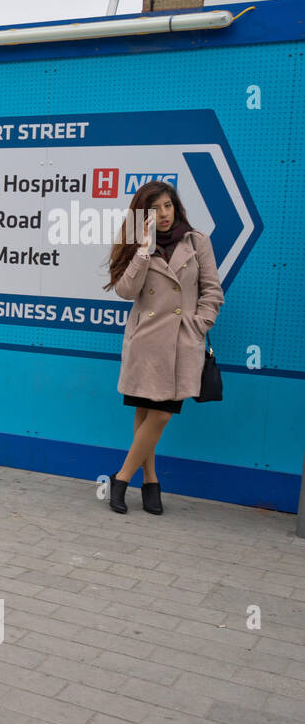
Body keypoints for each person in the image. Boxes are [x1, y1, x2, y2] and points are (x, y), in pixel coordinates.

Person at [104, 180, 223, 515]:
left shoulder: (197, 241)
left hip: (180, 342)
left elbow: (212, 291)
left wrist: (198, 326)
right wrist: (144, 248)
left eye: (168, 205)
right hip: (146, 343)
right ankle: (151, 481)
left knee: (160, 414)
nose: (164, 214)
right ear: (144, 215)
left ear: (176, 206)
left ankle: (122, 477)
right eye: (155, 209)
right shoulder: (137, 243)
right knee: (146, 413)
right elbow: (126, 291)